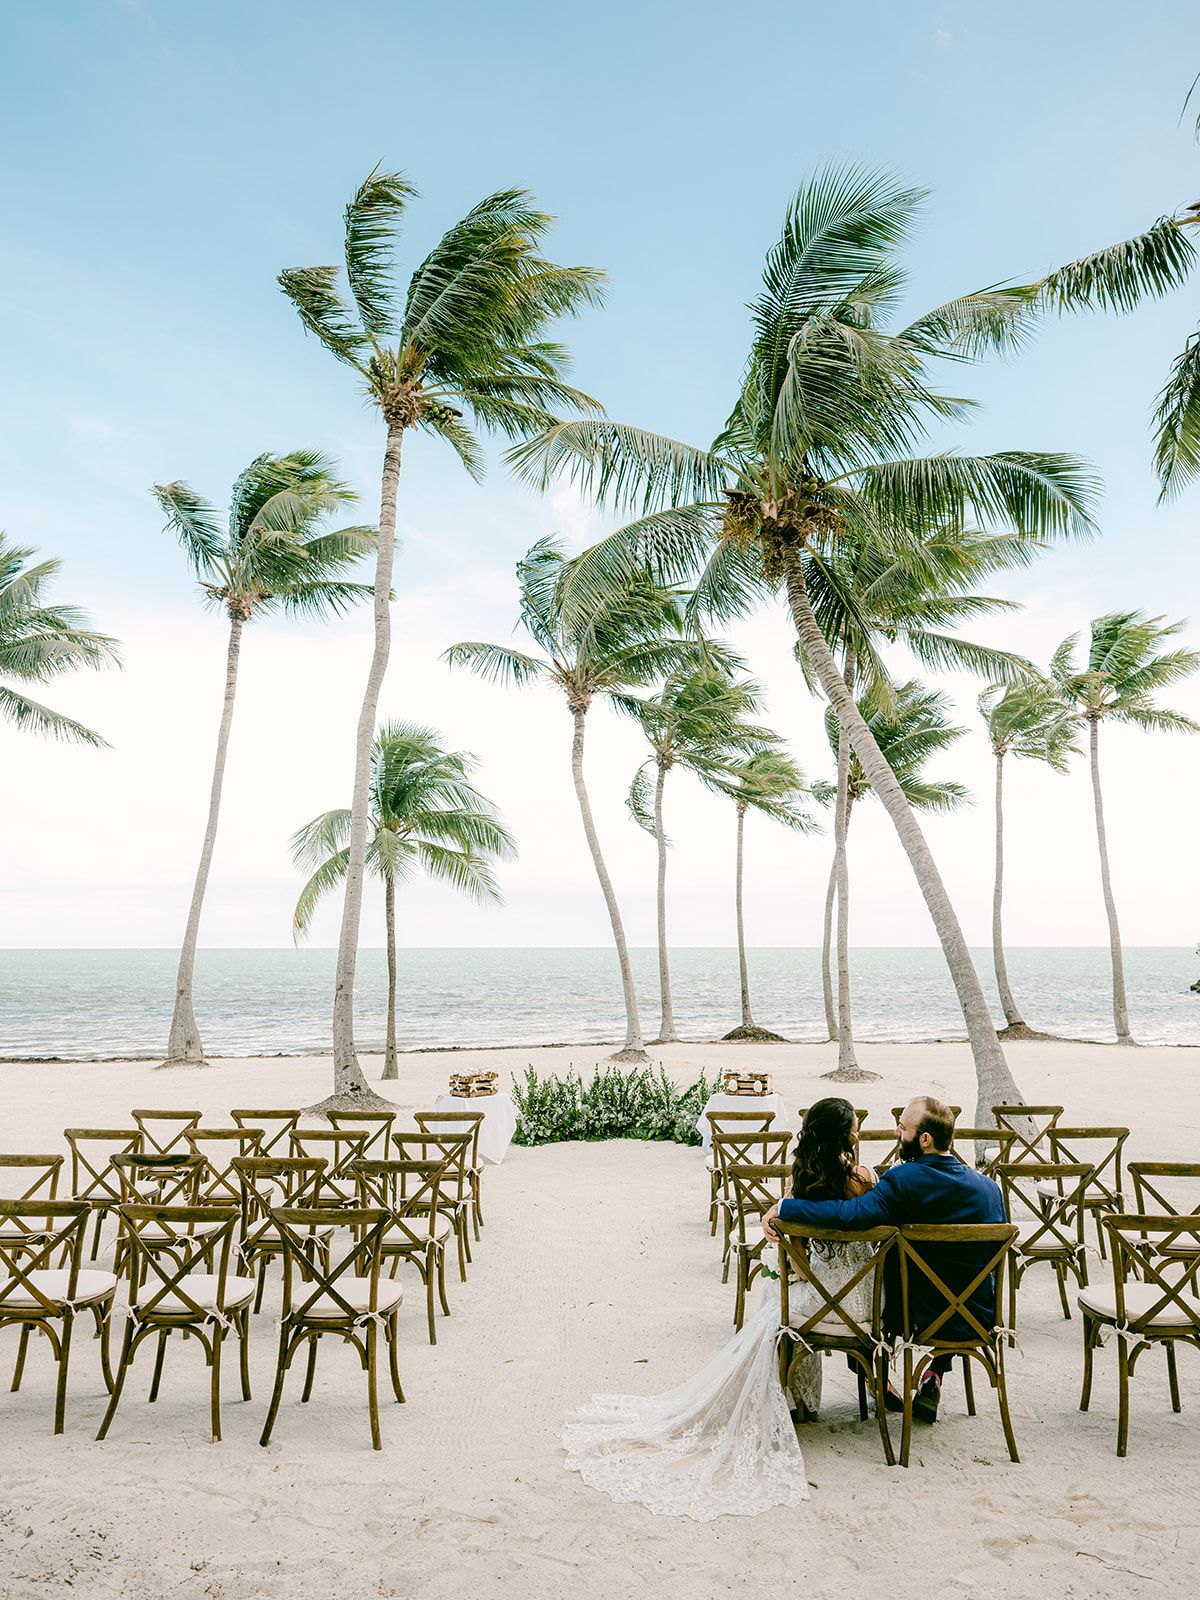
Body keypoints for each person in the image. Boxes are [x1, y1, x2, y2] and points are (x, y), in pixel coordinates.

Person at [562, 1098, 876, 1522]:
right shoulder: (865, 1180)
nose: (858, 1132)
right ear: (846, 1136)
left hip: (820, 1305)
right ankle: (837, 1392)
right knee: (778, 1301)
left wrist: (794, 1252)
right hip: (865, 1306)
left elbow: (800, 1264)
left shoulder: (797, 1184)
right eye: (855, 1126)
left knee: (774, 1302)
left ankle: (797, 1397)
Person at [763, 1095, 1006, 1424]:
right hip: (978, 1313)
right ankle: (934, 1373)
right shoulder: (990, 1190)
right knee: (950, 1284)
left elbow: (851, 1214)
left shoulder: (902, 1181)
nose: (896, 1132)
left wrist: (786, 1208)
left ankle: (879, 1377)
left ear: (924, 1139)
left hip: (911, 1315)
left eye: (902, 1128)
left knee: (872, 1290)